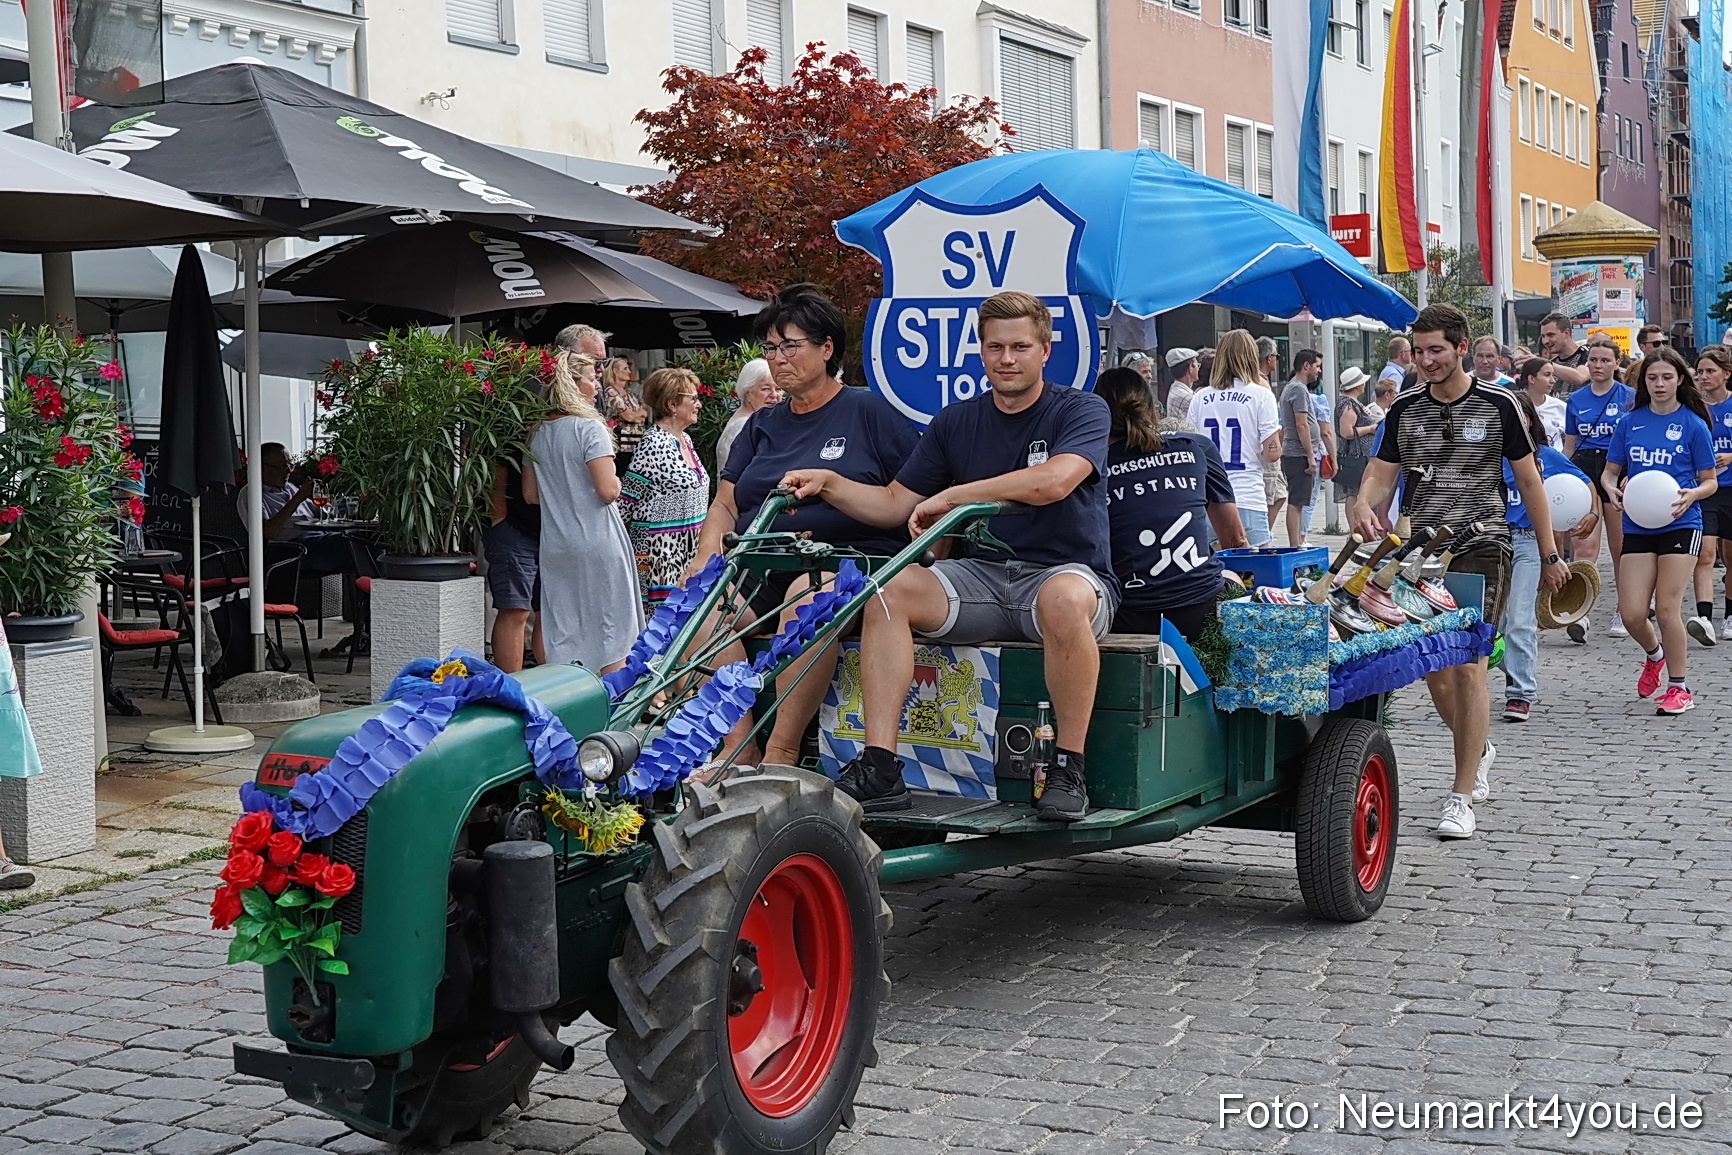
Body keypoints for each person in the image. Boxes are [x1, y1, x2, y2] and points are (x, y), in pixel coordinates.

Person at [781, 291, 1113, 822]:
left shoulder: (1080, 408)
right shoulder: (955, 421)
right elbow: (894, 503)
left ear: (1045, 352)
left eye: (1021, 347)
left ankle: (1068, 767)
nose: (1007, 358)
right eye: (995, 347)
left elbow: (1055, 480)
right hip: (980, 577)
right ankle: (881, 766)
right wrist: (832, 483)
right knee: (887, 590)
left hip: (1062, 575)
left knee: (1064, 599)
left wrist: (956, 494)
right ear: (980, 353)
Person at [1353, 304, 1568, 841]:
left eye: (1436, 351)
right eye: (1419, 351)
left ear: (1462, 347)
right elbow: (1382, 472)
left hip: (1483, 543)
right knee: (1434, 669)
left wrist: (1548, 554)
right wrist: (1363, 502)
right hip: (1419, 549)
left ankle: (1461, 793)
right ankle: (1481, 746)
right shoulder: (1403, 408)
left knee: (1469, 664)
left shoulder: (1499, 405)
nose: (1425, 361)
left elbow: (1531, 482)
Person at [691, 284, 918, 770]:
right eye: (770, 349)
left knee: (805, 596)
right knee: (701, 610)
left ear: (826, 348)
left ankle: (782, 753)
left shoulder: (867, 410)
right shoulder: (762, 424)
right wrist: (706, 555)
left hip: (846, 562)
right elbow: (726, 504)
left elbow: (911, 496)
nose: (778, 359)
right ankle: (739, 748)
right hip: (761, 560)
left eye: (790, 346)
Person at [1602, 346, 1718, 716]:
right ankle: (1655, 655)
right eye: (1652, 378)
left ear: (1680, 380)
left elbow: (1710, 481)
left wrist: (1692, 494)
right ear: (1643, 382)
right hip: (1637, 522)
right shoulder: (1629, 422)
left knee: (1667, 608)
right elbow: (1609, 471)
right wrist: (1610, 487)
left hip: (1681, 523)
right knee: (1633, 612)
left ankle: (1679, 687)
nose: (1659, 384)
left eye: (1667, 377)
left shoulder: (1693, 424)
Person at [1095, 367, 1246, 642]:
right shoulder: (1195, 447)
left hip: (1129, 616)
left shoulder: (1089, 469)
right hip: (1203, 609)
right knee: (1232, 577)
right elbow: (1235, 539)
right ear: (1154, 411)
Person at [523, 346, 643, 673]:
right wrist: (618, 480)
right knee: (613, 632)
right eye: (592, 378)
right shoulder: (590, 428)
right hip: (597, 539)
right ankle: (613, 710)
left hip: (556, 544)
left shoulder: (537, 433)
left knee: (565, 632)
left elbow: (530, 495)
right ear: (575, 383)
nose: (598, 385)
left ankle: (571, 704)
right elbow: (607, 490)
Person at [1500, 391, 1597, 723]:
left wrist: (1592, 514)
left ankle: (1520, 692)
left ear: (1528, 420)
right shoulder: (1484, 456)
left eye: (1518, 416)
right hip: (1489, 542)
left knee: (1519, 618)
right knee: (1492, 623)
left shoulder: (1544, 456)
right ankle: (1509, 664)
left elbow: (1584, 485)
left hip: (1528, 542)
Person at [1562, 338, 1636, 641]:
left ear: (1617, 364)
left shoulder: (1629, 397)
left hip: (1617, 469)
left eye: (1605, 360)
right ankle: (1581, 611)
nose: (1598, 366)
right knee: (1584, 547)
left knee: (1620, 548)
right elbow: (1569, 445)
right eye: (1593, 360)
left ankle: (1623, 608)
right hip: (1585, 470)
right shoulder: (1576, 399)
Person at [620, 368, 710, 611]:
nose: (699, 405)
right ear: (672, 404)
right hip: (660, 554)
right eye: (693, 398)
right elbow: (627, 500)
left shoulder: (685, 439)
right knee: (663, 627)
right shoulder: (653, 443)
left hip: (688, 551)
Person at [1191, 330, 1282, 547]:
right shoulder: (1261, 395)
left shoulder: (1200, 398)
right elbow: (1272, 453)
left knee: (1214, 575)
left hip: (1209, 500)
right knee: (1256, 576)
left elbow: (1191, 449)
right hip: (1248, 496)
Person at [486, 385, 547, 674]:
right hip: (515, 529)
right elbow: (495, 473)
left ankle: (549, 686)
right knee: (516, 610)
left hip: (548, 532)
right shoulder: (510, 433)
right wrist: (498, 519)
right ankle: (511, 686)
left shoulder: (553, 432)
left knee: (547, 612)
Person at [1687, 345, 1732, 644]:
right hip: (1705, 488)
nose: (1704, 376)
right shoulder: (1694, 408)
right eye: (1700, 371)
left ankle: (1730, 615)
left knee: (1731, 557)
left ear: (1726, 374)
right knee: (1704, 553)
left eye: (1710, 371)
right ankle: (1704, 618)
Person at [1279, 349, 1325, 547]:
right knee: (1297, 502)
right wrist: (1310, 455)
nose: (1319, 371)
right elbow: (1301, 424)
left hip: (1295, 452)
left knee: (1298, 501)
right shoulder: (1298, 389)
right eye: (1317, 366)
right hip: (1298, 453)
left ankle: (1296, 542)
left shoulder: (1294, 388)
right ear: (1306, 366)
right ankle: (1295, 544)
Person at [715, 359, 781, 471]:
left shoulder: (751, 421)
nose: (774, 395)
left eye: (778, 389)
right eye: (765, 389)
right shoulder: (744, 425)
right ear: (748, 394)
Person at [1335, 367, 1377, 528]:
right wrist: (1370, 428)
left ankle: (1358, 527)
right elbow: (1347, 432)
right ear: (1358, 385)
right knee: (1354, 492)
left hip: (1360, 454)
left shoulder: (1351, 403)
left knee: (1356, 491)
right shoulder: (1348, 405)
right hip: (1356, 455)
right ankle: (1354, 528)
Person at [1256, 336, 1287, 529]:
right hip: (1267, 448)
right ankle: (1262, 534)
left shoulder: (1260, 381)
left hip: (1269, 445)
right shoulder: (1260, 383)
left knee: (1278, 494)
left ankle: (1264, 532)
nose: (1277, 360)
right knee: (1273, 495)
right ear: (1269, 358)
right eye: (1276, 356)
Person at [1513, 358, 1568, 450]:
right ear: (1531, 378)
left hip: (1553, 461)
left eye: (1552, 375)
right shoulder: (1515, 405)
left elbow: (1572, 440)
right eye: (1547, 375)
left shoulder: (1560, 406)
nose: (1553, 380)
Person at [1541, 313, 1590, 392]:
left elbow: (1580, 377)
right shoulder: (1552, 363)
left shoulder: (1588, 354)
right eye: (1543, 336)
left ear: (1566, 333)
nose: (1545, 341)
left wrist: (1542, 363)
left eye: (1551, 335)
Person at [1161, 347, 1200, 425]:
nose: (1198, 369)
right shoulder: (1187, 397)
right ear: (1190, 368)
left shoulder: (1175, 388)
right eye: (1197, 365)